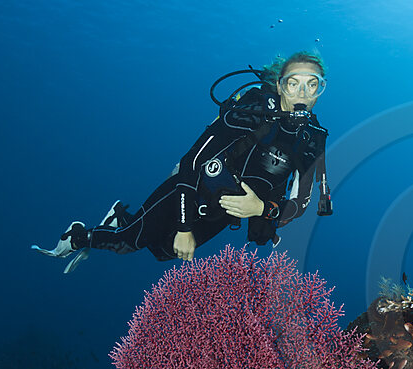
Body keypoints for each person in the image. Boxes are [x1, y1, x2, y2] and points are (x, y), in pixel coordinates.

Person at [32, 52, 332, 272]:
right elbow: (192, 162)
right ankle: (77, 237)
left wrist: (262, 209)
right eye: (293, 84)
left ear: (321, 90)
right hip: (191, 186)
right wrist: (185, 228)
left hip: (225, 212)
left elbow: (302, 204)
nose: (302, 94)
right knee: (128, 243)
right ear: (279, 86)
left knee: (164, 253)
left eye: (312, 85)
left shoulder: (312, 140)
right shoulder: (250, 114)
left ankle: (121, 218)